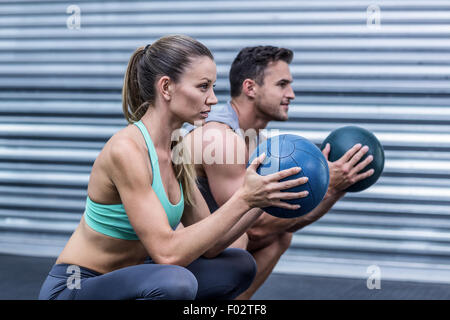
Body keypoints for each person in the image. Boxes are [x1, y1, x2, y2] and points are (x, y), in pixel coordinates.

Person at [38, 36, 309, 300]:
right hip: (78, 285)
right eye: (203, 87)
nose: (213, 99)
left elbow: (213, 245)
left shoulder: (176, 149)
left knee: (238, 265)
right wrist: (244, 198)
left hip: (137, 278)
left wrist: (262, 197)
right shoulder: (127, 150)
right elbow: (167, 254)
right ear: (166, 87)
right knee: (175, 282)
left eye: (213, 87)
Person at [183, 46, 375, 299]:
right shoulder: (222, 135)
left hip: (208, 246)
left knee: (281, 237)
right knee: (243, 241)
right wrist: (329, 185)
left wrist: (335, 188)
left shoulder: (257, 140)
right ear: (250, 88)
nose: (291, 94)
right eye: (282, 84)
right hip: (171, 251)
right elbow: (254, 229)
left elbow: (279, 221)